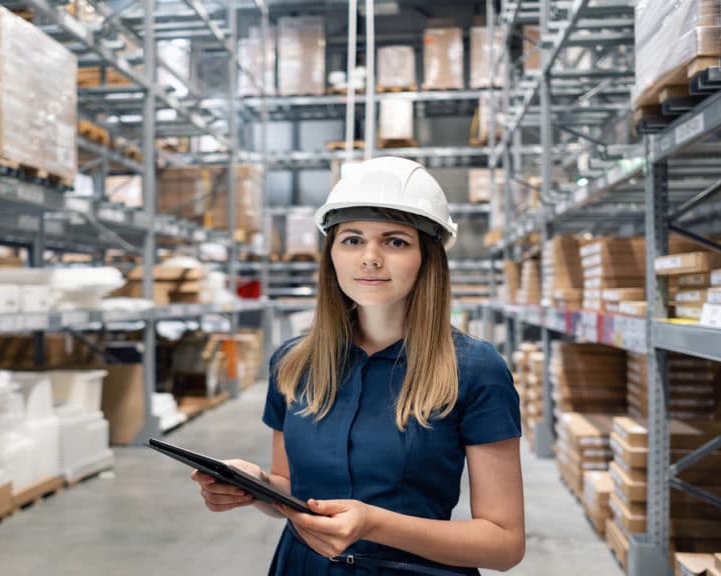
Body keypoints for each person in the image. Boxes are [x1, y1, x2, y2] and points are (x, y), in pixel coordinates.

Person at [191, 157, 525, 575]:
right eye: (351, 240)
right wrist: (253, 484)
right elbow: (295, 490)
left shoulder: (474, 369)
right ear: (330, 254)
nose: (369, 258)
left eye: (395, 241)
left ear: (427, 257)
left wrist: (374, 523)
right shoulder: (294, 364)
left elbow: (504, 543)